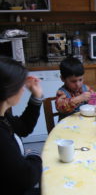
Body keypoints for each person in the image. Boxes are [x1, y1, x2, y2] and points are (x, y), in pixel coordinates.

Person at [0, 56, 43, 195]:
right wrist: (36, 156)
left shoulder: (3, 116)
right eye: (20, 84)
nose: (23, 89)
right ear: (7, 91)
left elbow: (23, 127)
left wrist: (36, 96)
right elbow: (27, 178)